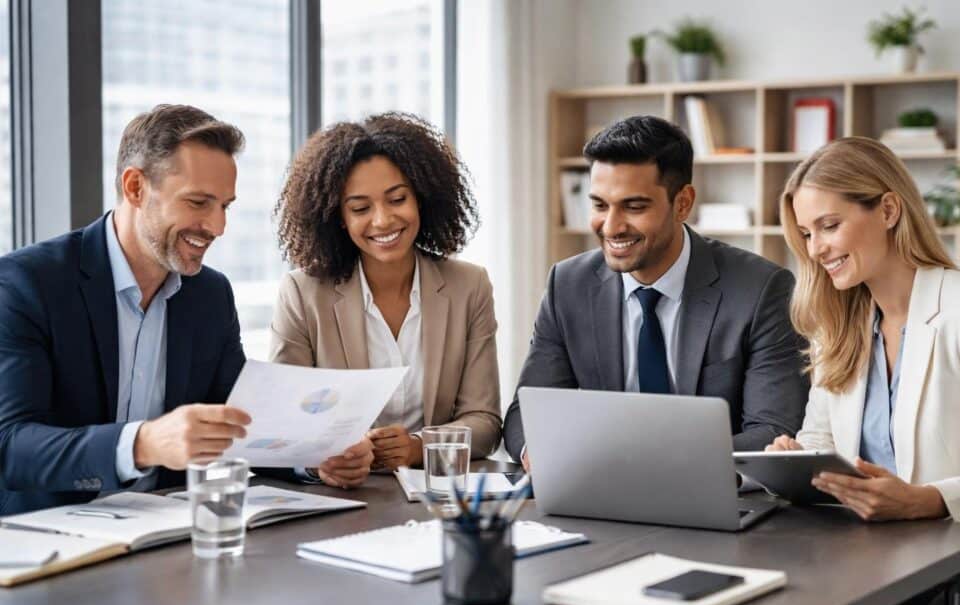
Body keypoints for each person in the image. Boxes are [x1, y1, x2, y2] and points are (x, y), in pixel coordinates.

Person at [0, 104, 371, 516]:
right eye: (198, 202)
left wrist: (315, 457)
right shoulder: (27, 284)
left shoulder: (209, 295)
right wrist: (143, 443)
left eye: (225, 206)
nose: (216, 227)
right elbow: (11, 445)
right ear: (136, 188)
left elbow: (243, 428)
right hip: (49, 541)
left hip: (168, 541)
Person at [758, 136, 960, 605]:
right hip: (858, 575)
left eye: (829, 226)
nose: (815, 249)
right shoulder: (844, 326)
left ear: (887, 209)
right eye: (807, 234)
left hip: (943, 591)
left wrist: (920, 500)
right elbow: (818, 444)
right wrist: (792, 460)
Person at [503, 115, 808, 467]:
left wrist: (640, 461)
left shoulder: (760, 289)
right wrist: (537, 450)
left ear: (683, 203)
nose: (612, 226)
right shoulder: (568, 285)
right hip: (597, 492)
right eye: (600, 205)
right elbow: (524, 415)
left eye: (634, 207)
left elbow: (774, 430)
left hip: (712, 496)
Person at [270, 112, 501, 473]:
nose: (382, 220)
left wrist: (416, 447)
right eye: (360, 208)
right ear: (339, 218)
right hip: (345, 498)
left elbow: (484, 422)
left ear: (421, 199)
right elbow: (285, 422)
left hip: (434, 493)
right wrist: (327, 461)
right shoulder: (303, 294)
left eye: (397, 199)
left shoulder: (468, 287)